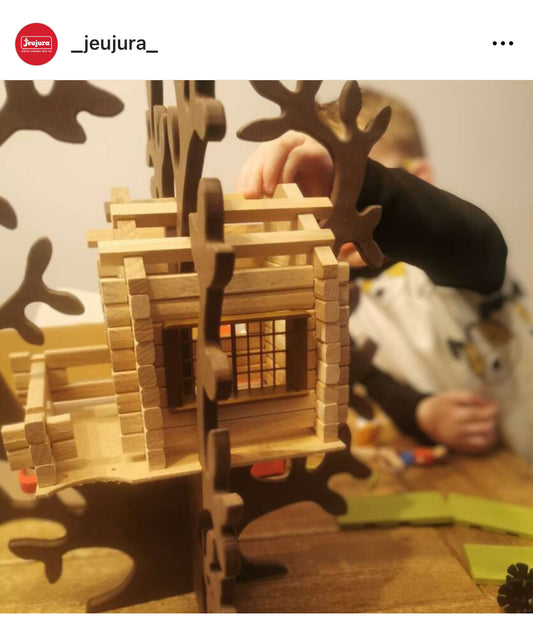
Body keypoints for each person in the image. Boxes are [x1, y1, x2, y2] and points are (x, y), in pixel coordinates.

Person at [235, 86, 533, 461]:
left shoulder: (449, 266)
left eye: (344, 192)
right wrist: (420, 412)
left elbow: (479, 245)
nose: (335, 212)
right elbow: (372, 377)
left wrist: (360, 184)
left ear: (418, 180)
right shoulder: (340, 289)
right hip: (468, 468)